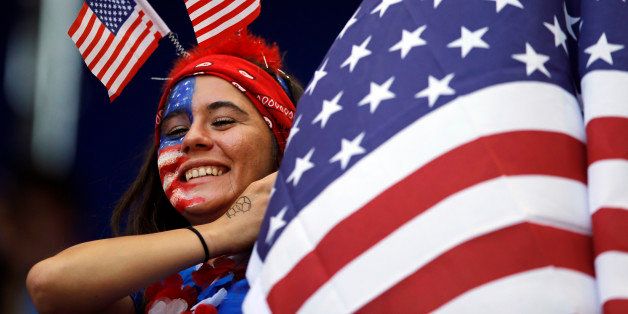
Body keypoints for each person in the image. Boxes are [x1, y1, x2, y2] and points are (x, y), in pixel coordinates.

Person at [26, 31, 302, 313]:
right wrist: (223, 232)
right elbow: (47, 283)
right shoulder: (148, 288)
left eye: (222, 121)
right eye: (176, 130)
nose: (191, 138)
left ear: (282, 142)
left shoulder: (319, 248)